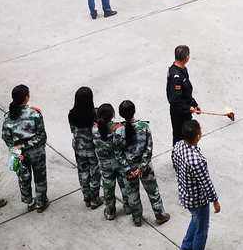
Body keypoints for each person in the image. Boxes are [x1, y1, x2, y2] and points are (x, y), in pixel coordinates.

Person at [172, 119, 220, 250]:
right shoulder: (196, 161)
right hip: (198, 199)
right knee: (202, 228)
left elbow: (175, 163)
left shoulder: (178, 146)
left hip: (185, 193)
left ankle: (186, 247)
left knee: (195, 220)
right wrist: (215, 201)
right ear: (198, 136)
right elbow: (206, 183)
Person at [116, 100, 170, 228]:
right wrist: (141, 167)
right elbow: (149, 149)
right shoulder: (144, 127)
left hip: (129, 169)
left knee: (133, 194)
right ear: (134, 111)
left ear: (121, 114)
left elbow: (118, 154)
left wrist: (129, 169)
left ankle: (137, 218)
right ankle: (160, 215)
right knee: (153, 191)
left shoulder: (118, 132)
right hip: (145, 168)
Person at [3, 84, 48, 213]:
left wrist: (17, 148)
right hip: (35, 152)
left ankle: (29, 201)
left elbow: (6, 137)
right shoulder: (34, 114)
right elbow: (42, 135)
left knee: (23, 177)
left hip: (18, 153)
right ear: (26, 98)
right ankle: (41, 202)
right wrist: (30, 145)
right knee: (40, 177)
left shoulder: (8, 117)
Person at [69, 87, 103, 209]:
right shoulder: (94, 114)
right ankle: (95, 198)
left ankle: (86, 197)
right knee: (95, 172)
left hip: (79, 147)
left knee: (83, 172)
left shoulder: (72, 114)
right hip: (92, 148)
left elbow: (72, 130)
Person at [93, 103, 124, 220]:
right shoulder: (118, 129)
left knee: (108, 188)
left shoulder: (94, 131)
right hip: (118, 163)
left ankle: (110, 212)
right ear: (112, 116)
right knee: (124, 186)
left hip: (105, 165)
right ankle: (128, 207)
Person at [167, 44, 199, 144]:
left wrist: (194, 104)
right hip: (178, 113)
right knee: (179, 136)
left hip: (186, 110)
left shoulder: (183, 69)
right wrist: (188, 108)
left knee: (188, 135)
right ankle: (176, 155)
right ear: (186, 57)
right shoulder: (175, 76)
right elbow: (175, 100)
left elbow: (186, 93)